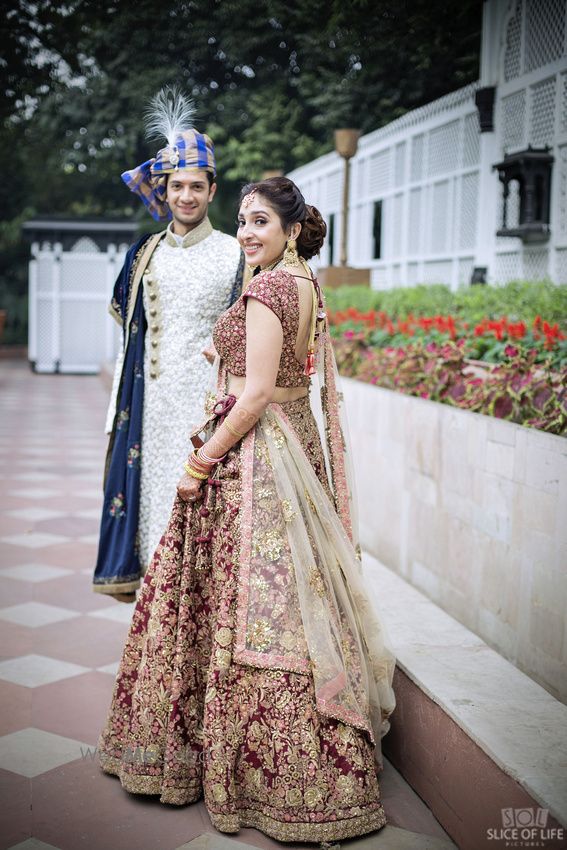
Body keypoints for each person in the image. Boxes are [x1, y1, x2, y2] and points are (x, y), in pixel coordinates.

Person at [97, 176, 396, 845]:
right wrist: (222, 348)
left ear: (291, 229)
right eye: (241, 222)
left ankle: (255, 776)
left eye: (260, 221)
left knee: (246, 610)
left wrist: (200, 462)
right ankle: (312, 772)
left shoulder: (264, 289)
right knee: (296, 604)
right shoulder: (304, 284)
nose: (246, 234)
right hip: (295, 453)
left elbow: (256, 393)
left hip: (254, 463)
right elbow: (281, 372)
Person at [93, 87, 244, 603]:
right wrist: (116, 410)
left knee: (199, 516)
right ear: (165, 187)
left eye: (196, 187)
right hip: (150, 411)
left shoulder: (233, 255)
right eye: (177, 186)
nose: (185, 196)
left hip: (207, 410)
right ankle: (155, 634)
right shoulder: (145, 254)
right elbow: (129, 343)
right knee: (154, 511)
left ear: (212, 190)